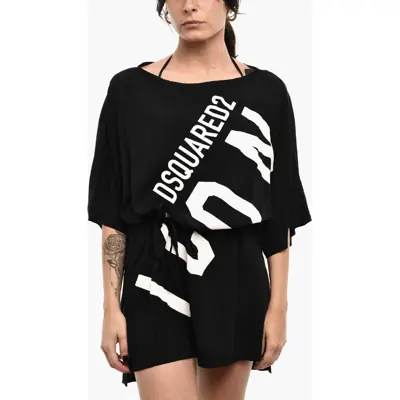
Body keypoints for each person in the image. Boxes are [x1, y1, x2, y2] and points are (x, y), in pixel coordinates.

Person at [87, 0, 312, 399]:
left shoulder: (266, 92)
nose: (190, 6)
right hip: (153, 273)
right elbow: (112, 211)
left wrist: (278, 308)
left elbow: (280, 213)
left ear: (229, 5)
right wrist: (111, 307)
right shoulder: (129, 90)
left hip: (236, 274)